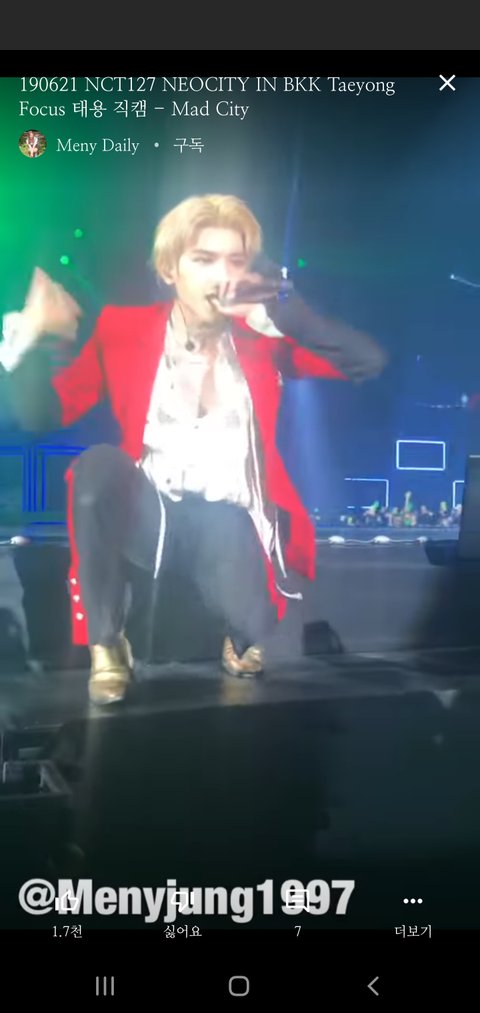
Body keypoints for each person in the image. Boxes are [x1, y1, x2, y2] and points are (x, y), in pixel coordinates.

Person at [0, 193, 387, 704]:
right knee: (95, 469)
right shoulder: (124, 328)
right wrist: (26, 341)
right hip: (152, 513)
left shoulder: (263, 338)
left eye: (235, 260)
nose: (221, 275)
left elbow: (367, 361)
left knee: (254, 625)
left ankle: (241, 633)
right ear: (170, 269)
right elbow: (45, 415)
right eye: (203, 259)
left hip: (229, 521)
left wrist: (285, 313)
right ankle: (107, 643)